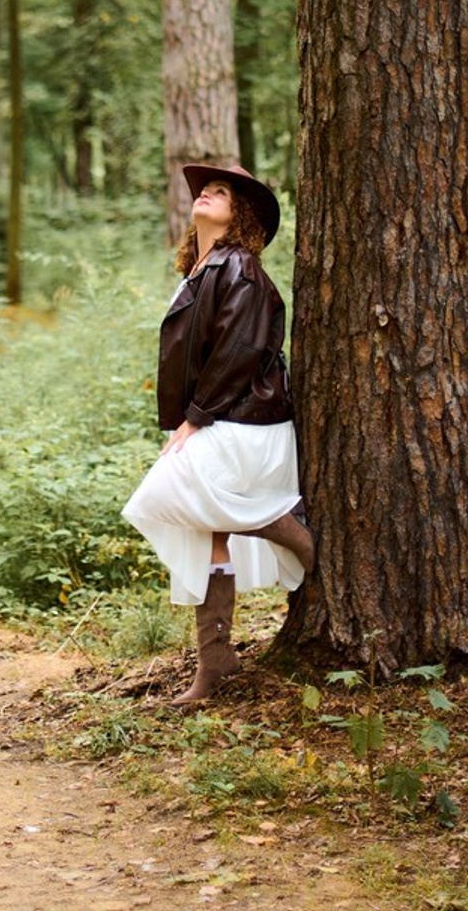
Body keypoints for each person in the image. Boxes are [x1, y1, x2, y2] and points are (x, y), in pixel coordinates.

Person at [121, 162, 314, 704]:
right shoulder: (203, 268)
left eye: (221, 191)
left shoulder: (241, 268)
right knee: (208, 534)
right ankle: (216, 662)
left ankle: (290, 529)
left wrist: (195, 415)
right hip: (227, 415)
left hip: (248, 419)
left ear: (241, 214)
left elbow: (242, 349)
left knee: (169, 495)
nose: (206, 192)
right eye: (205, 189)